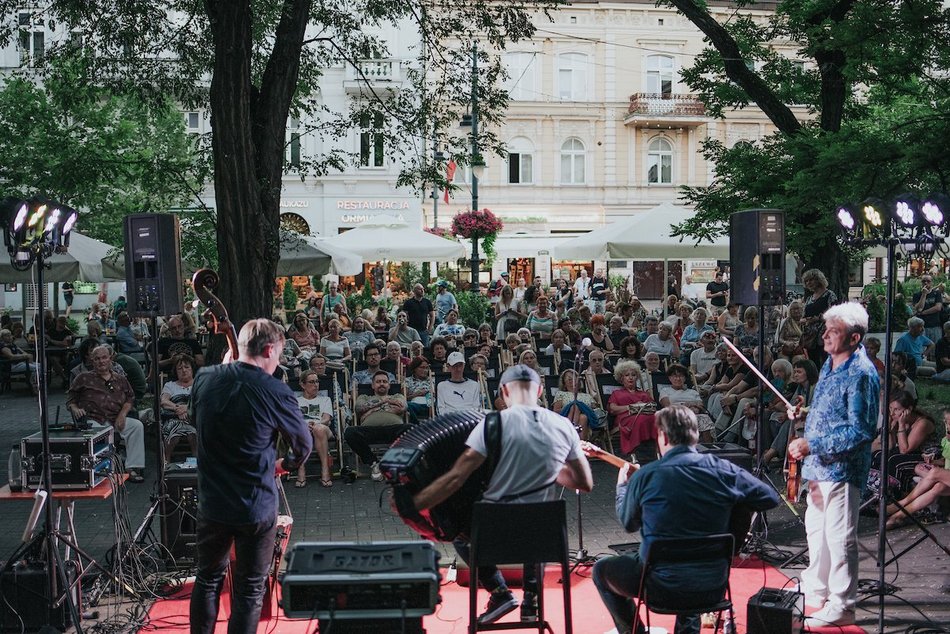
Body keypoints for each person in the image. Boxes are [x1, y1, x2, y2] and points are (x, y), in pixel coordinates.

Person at [409, 365, 593, 625]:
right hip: (544, 538)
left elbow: (455, 478)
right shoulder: (563, 425)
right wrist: (552, 463)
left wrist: (413, 505)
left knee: (459, 534)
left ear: (504, 391)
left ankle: (499, 592)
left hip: (492, 538)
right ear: (540, 391)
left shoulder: (491, 423)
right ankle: (531, 600)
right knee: (536, 521)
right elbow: (584, 483)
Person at [592, 405, 779, 634]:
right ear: (696, 435)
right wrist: (735, 512)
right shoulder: (724, 469)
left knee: (600, 570)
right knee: (694, 537)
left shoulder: (646, 475)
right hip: (713, 586)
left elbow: (628, 523)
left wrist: (623, 487)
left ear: (662, 436)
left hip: (658, 588)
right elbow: (769, 498)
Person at [189, 318, 312, 634]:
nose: (278, 362)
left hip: (213, 501)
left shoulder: (205, 377)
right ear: (269, 350)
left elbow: (195, 419)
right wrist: (282, 464)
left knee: (207, 578)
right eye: (279, 355)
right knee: (250, 588)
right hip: (254, 503)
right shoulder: (275, 390)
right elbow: (303, 446)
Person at [787, 303, 880, 627]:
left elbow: (862, 430)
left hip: (842, 469)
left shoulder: (861, 374)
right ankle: (817, 587)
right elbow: (832, 411)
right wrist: (805, 411)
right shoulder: (830, 363)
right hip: (819, 467)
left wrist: (811, 444)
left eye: (833, 331)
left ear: (854, 338)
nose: (824, 336)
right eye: (825, 329)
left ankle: (842, 605)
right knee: (817, 531)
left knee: (840, 537)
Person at [67, 345, 146, 482]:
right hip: (94, 419)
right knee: (97, 432)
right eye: (97, 359)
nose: (101, 361)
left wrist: (122, 414)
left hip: (116, 418)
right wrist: (75, 408)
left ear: (110, 359)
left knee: (136, 426)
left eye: (104, 358)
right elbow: (70, 400)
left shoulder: (120, 379)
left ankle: (132, 468)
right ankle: (102, 470)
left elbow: (130, 398)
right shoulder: (83, 378)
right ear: (92, 361)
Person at [344, 371, 409, 481]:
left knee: (410, 428)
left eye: (385, 381)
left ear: (389, 385)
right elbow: (358, 408)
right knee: (349, 432)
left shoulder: (397, 396)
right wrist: (384, 403)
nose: (382, 384)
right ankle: (374, 463)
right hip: (369, 431)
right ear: (373, 385)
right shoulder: (364, 397)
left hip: (394, 429)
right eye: (378, 382)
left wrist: (370, 410)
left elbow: (403, 406)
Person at [609, 360, 658, 463]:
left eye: (633, 375)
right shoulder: (617, 393)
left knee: (657, 418)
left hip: (646, 416)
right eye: (627, 375)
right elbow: (613, 409)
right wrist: (631, 407)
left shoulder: (643, 394)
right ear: (622, 378)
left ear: (637, 377)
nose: (630, 377)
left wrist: (642, 406)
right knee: (641, 420)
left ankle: (654, 450)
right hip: (626, 418)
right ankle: (640, 451)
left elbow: (653, 407)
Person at [295, 369, 335, 488]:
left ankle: (325, 470)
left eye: (317, 381)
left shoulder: (325, 399)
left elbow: (326, 419)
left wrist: (315, 424)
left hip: (323, 429)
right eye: (311, 382)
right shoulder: (295, 401)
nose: (316, 385)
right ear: (303, 385)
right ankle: (301, 469)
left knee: (319, 429)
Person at [160, 354, 198, 462]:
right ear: (176, 371)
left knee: (193, 434)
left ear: (192, 369)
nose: (184, 370)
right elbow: (164, 401)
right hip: (173, 417)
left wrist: (187, 408)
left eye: (187, 367)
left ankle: (198, 463)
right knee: (174, 434)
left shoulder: (199, 384)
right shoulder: (170, 385)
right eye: (180, 368)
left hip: (194, 418)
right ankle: (166, 462)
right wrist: (178, 408)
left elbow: (204, 401)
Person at [801, 268, 837, 366]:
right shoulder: (809, 298)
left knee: (825, 363)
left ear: (818, 280)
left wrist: (818, 319)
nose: (809, 283)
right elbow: (803, 317)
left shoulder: (829, 295)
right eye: (806, 281)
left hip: (825, 336)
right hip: (810, 339)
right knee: (813, 364)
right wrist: (806, 320)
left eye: (811, 280)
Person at [913, 274, 945, 344]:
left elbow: (938, 308)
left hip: (935, 325)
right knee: (922, 347)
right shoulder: (917, 295)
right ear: (921, 282)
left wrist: (922, 313)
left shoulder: (937, 293)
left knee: (935, 347)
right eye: (923, 281)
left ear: (932, 282)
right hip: (921, 327)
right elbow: (919, 309)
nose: (926, 283)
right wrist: (924, 294)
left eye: (928, 281)